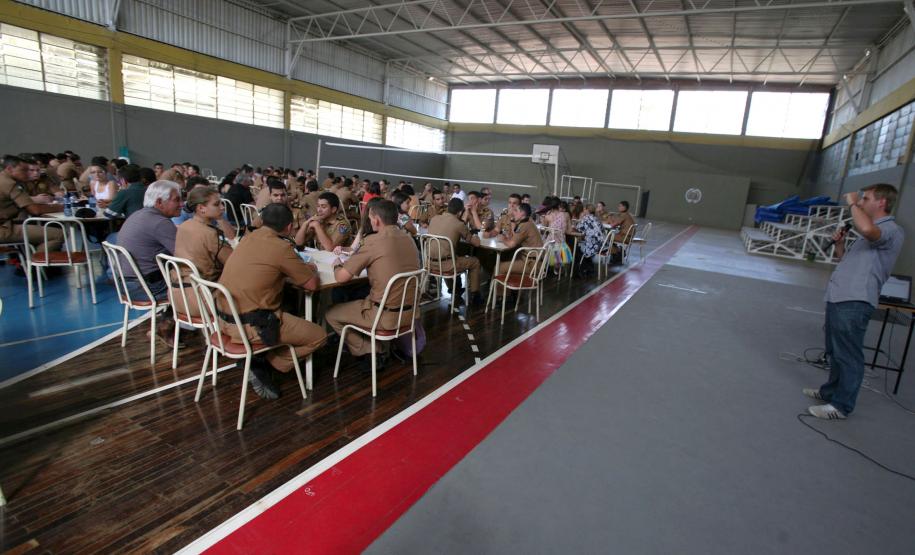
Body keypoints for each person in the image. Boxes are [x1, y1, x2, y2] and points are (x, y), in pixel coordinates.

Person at [805, 184, 904, 420]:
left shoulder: (890, 230)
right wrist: (840, 246)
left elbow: (868, 229)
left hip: (855, 300)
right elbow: (847, 262)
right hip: (840, 296)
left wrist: (851, 203)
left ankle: (841, 406)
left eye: (865, 199)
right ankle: (830, 392)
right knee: (835, 350)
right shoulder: (866, 233)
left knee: (848, 354)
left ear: (881, 202)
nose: (860, 202)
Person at [217, 203, 327, 399]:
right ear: (289, 227)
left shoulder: (248, 238)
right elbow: (311, 285)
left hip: (223, 320)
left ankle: (261, 359)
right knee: (319, 335)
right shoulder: (281, 247)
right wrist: (312, 269)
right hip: (251, 326)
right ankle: (267, 364)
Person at [326, 200, 421, 369]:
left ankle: (372, 351)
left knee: (331, 313)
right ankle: (377, 349)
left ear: (376, 220)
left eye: (370, 218)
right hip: (411, 313)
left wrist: (337, 265)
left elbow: (341, 278)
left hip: (383, 316)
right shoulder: (409, 238)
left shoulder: (373, 241)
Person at [115, 180, 182, 343]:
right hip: (147, 288)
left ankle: (167, 324)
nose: (181, 204)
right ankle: (166, 326)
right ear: (159, 202)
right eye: (177, 200)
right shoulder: (160, 223)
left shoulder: (138, 215)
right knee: (200, 282)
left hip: (125, 285)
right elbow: (185, 256)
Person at [173, 187, 233, 317]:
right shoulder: (210, 233)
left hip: (177, 297)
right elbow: (233, 262)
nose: (222, 207)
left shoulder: (183, 226)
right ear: (201, 208)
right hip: (203, 300)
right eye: (217, 204)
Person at [0, 155, 64, 262]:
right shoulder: (9, 183)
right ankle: (35, 266)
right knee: (58, 234)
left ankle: (31, 263)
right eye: (23, 170)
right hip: (3, 229)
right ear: (10, 169)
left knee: (39, 232)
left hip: (7, 224)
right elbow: (35, 210)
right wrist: (61, 207)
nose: (27, 173)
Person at [427, 198, 484, 306]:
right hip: (446, 266)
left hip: (429, 263)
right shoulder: (459, 224)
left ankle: (455, 289)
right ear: (460, 212)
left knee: (452, 256)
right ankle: (475, 296)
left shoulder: (434, 218)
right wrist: (476, 235)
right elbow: (476, 243)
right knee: (475, 262)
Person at [498, 202, 543, 278]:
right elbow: (515, 238)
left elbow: (512, 244)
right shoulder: (528, 222)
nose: (513, 213)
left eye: (516, 210)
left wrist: (503, 239)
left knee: (500, 267)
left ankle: (497, 285)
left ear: (522, 213)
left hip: (532, 264)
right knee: (507, 257)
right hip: (532, 259)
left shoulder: (524, 225)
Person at [575, 204, 604, 277]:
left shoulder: (586, 218)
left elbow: (578, 229)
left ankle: (583, 268)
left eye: (584, 209)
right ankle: (590, 268)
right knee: (582, 246)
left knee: (577, 248)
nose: (583, 211)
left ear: (587, 210)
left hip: (593, 245)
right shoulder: (596, 218)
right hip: (602, 244)